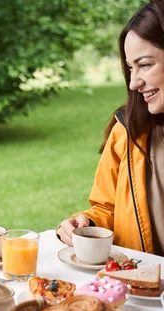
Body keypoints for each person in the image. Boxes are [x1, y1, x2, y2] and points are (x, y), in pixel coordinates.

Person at [57, 0, 164, 256]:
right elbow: (108, 209)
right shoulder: (127, 130)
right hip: (142, 291)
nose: (134, 82)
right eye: (130, 67)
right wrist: (87, 222)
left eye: (145, 64)